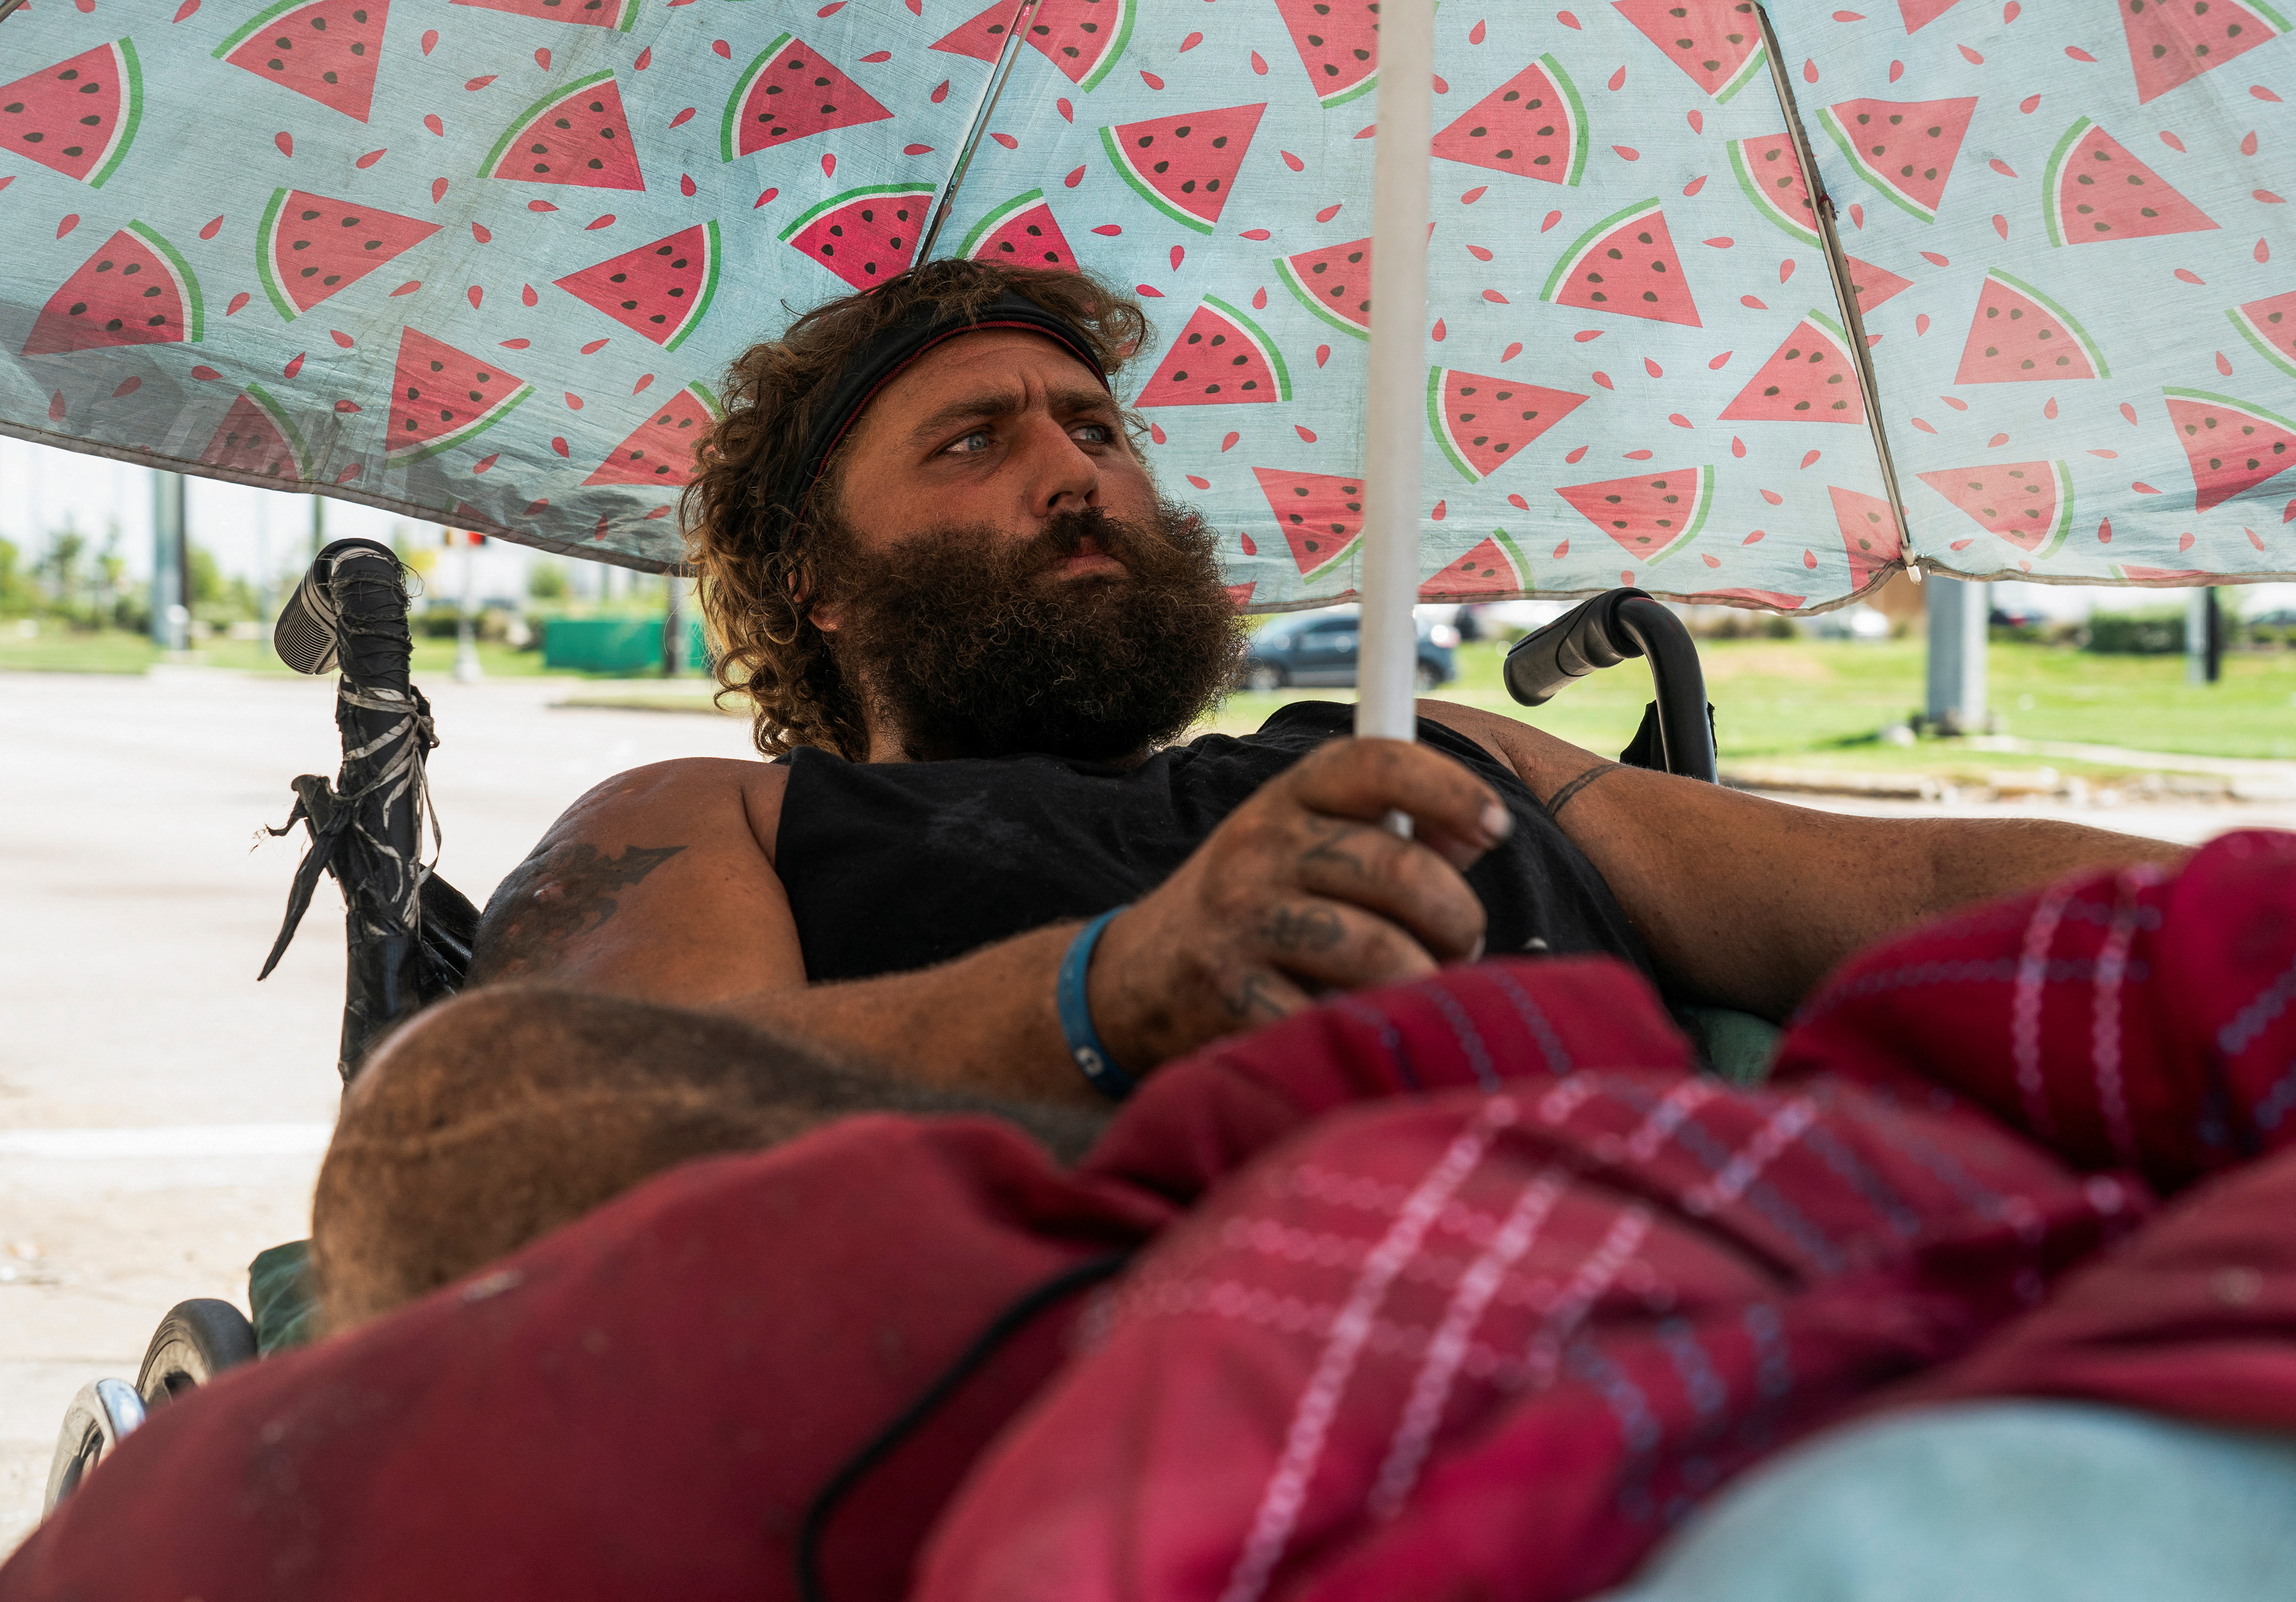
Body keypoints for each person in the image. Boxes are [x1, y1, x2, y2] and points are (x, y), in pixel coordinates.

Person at [309, 258, 2181, 1331]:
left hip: (1717, 1342)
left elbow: (1913, 880)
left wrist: (2232, 921)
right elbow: (502, 1150)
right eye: (977, 440)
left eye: (1097, 428)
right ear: (812, 581)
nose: (1078, 473)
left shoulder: (1435, 752)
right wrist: (1112, 996)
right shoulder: (725, 814)